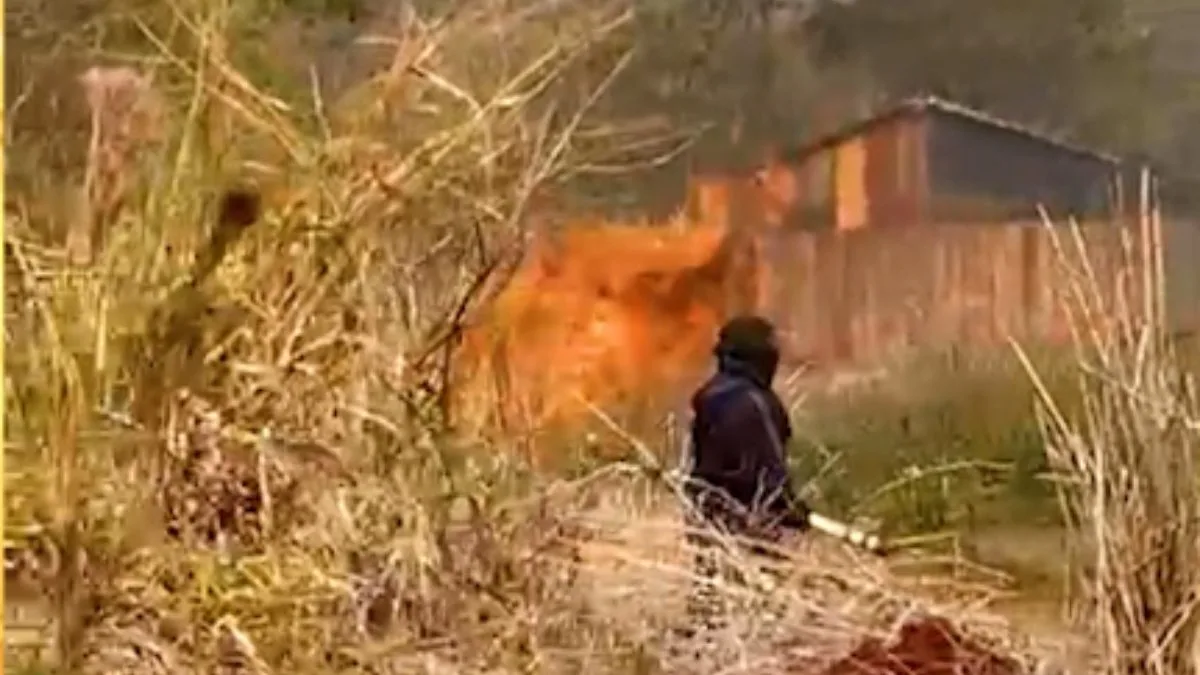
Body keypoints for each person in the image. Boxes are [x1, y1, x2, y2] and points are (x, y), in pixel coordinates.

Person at [679, 314, 811, 638]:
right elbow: (768, 470)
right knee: (757, 609)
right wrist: (790, 508)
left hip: (709, 515)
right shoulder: (751, 402)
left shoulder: (711, 397)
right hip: (748, 521)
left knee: (713, 599)